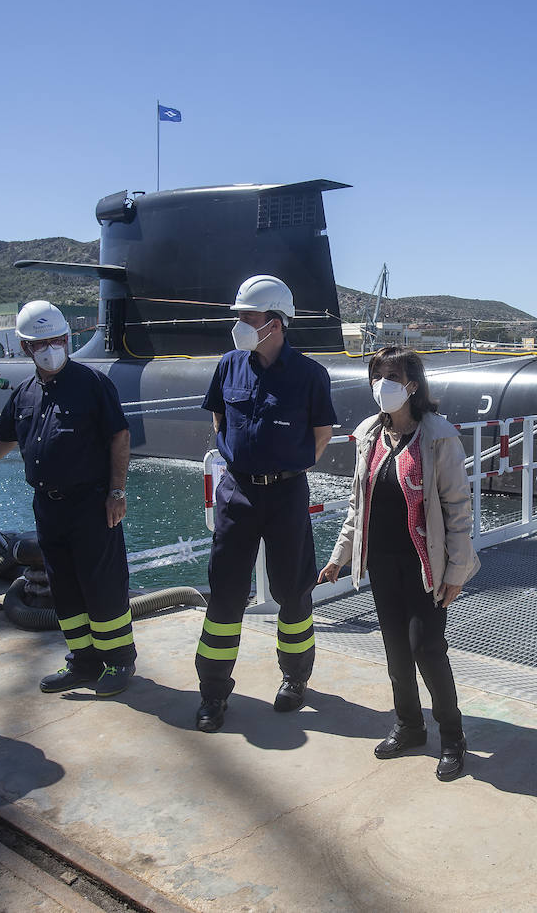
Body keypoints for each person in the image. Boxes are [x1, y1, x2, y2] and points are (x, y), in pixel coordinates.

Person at [0, 300, 136, 697]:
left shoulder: (93, 385)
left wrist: (117, 491)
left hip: (91, 504)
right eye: (42, 343)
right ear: (26, 348)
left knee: (102, 585)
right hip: (49, 507)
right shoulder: (23, 396)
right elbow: (2, 439)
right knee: (65, 587)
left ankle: (119, 661)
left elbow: (119, 437)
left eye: (57, 340)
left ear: (68, 339)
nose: (51, 348)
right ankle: (83, 662)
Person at [320, 346, 480, 780]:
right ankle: (409, 726)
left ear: (413, 385)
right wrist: (339, 558)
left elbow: (457, 510)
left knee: (426, 650)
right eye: (376, 376)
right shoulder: (370, 434)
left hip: (425, 565)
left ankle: (452, 736)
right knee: (395, 651)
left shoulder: (438, 436)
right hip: (382, 563)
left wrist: (456, 571)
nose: (381, 386)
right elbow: (358, 505)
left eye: (391, 377)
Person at [195, 275, 337, 732]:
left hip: (286, 494)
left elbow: (320, 437)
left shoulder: (310, 375)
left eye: (248, 318)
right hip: (237, 492)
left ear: (275, 323)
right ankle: (213, 692)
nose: (239, 325)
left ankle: (295, 678)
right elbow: (219, 420)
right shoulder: (229, 366)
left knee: (292, 593)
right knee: (225, 595)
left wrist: (284, 469)